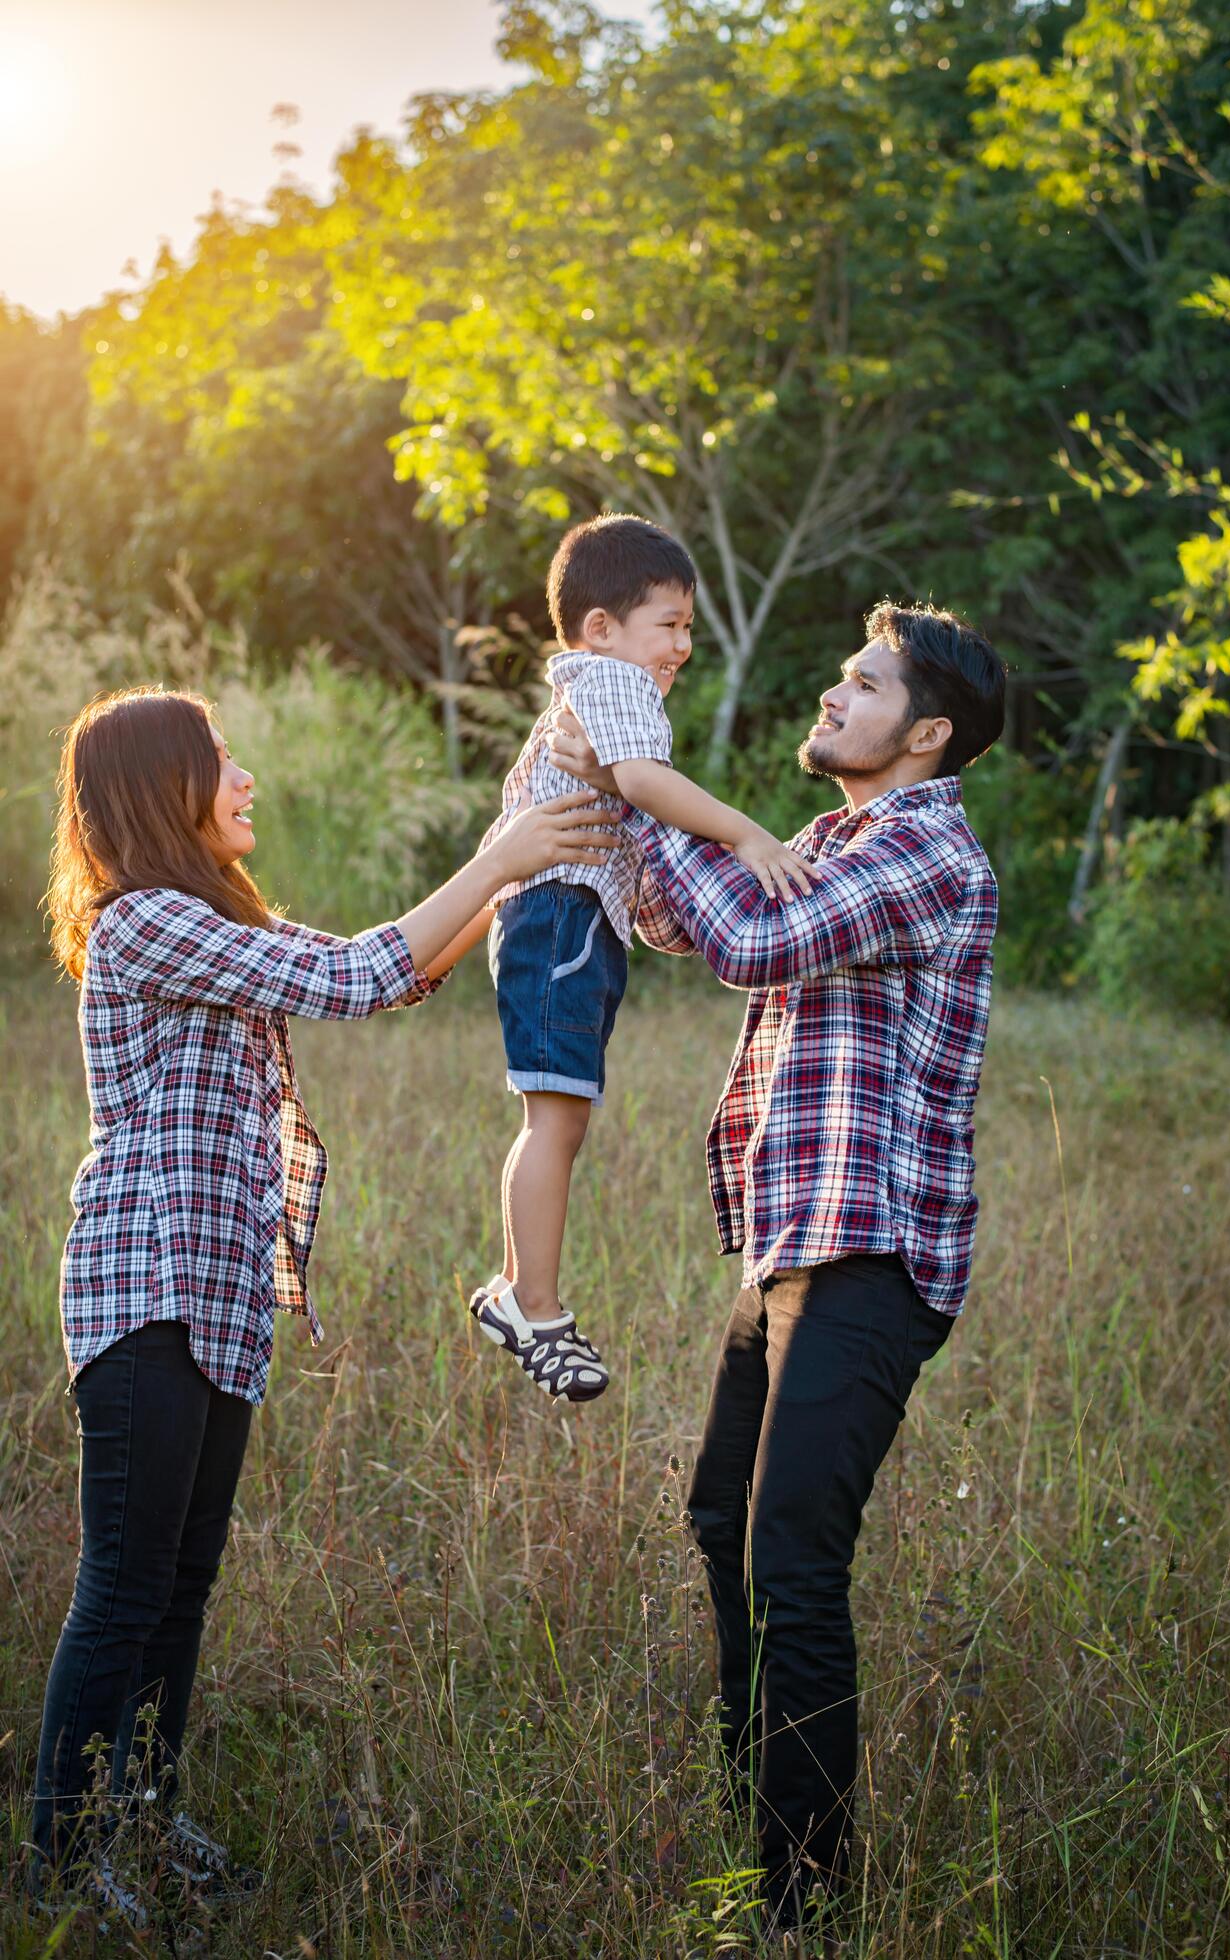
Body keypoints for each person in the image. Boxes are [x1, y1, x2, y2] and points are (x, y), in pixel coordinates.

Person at [30, 685, 619, 1924]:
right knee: (126, 1585)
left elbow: (389, 979)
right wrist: (498, 854)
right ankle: (65, 1864)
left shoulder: (200, 922)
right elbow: (356, 972)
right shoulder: (145, 923)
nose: (245, 779)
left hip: (215, 1293)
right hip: (147, 1284)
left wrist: (509, 886)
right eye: (221, 762)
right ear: (160, 792)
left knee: (182, 1582)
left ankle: (143, 1815)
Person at [549, 601, 1005, 1934]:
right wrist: (633, 814)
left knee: (794, 1558)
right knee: (722, 1527)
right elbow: (693, 920)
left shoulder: (929, 853)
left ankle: (808, 1897)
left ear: (926, 733)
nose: (832, 695)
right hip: (791, 1240)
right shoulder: (834, 839)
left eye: (862, 685)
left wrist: (631, 792)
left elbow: (750, 938)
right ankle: (765, 1843)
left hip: (871, 1253)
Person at [466, 514, 814, 1402]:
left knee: (557, 1118)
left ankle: (519, 1292)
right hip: (561, 917)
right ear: (601, 626)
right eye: (672, 623)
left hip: (566, 919)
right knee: (555, 1121)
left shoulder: (591, 685)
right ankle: (532, 1304)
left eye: (688, 627)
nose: (684, 646)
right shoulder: (612, 684)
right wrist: (746, 834)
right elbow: (647, 783)